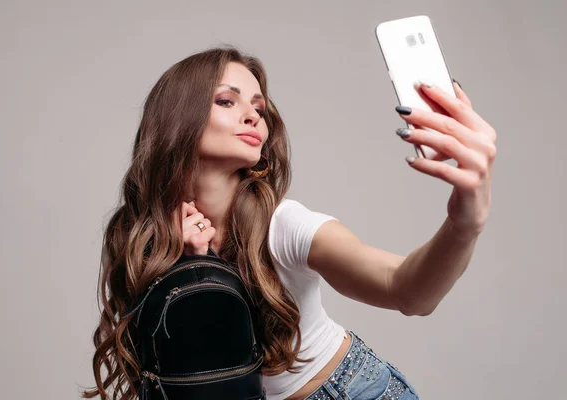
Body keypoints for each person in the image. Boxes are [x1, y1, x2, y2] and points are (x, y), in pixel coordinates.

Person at [82, 45, 496, 400]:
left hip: (349, 390)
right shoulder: (139, 235)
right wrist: (193, 266)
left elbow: (408, 291)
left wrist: (465, 223)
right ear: (178, 118)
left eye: (259, 107)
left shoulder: (283, 225)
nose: (253, 116)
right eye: (227, 101)